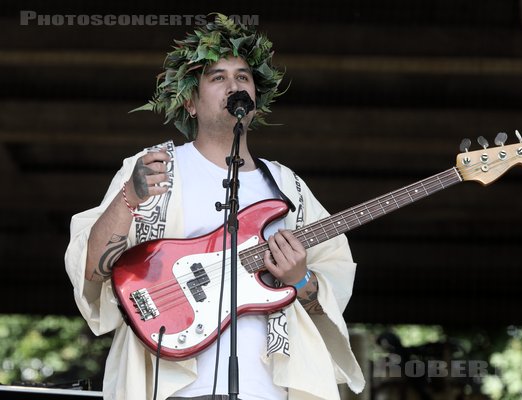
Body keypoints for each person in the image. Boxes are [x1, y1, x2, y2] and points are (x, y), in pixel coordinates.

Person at [65, 14, 365, 400]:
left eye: (243, 76)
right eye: (218, 77)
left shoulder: (289, 187)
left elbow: (331, 286)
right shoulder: (154, 168)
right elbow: (92, 271)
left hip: (269, 390)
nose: (235, 84)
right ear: (190, 102)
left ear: (255, 99)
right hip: (169, 388)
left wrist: (302, 280)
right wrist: (129, 198)